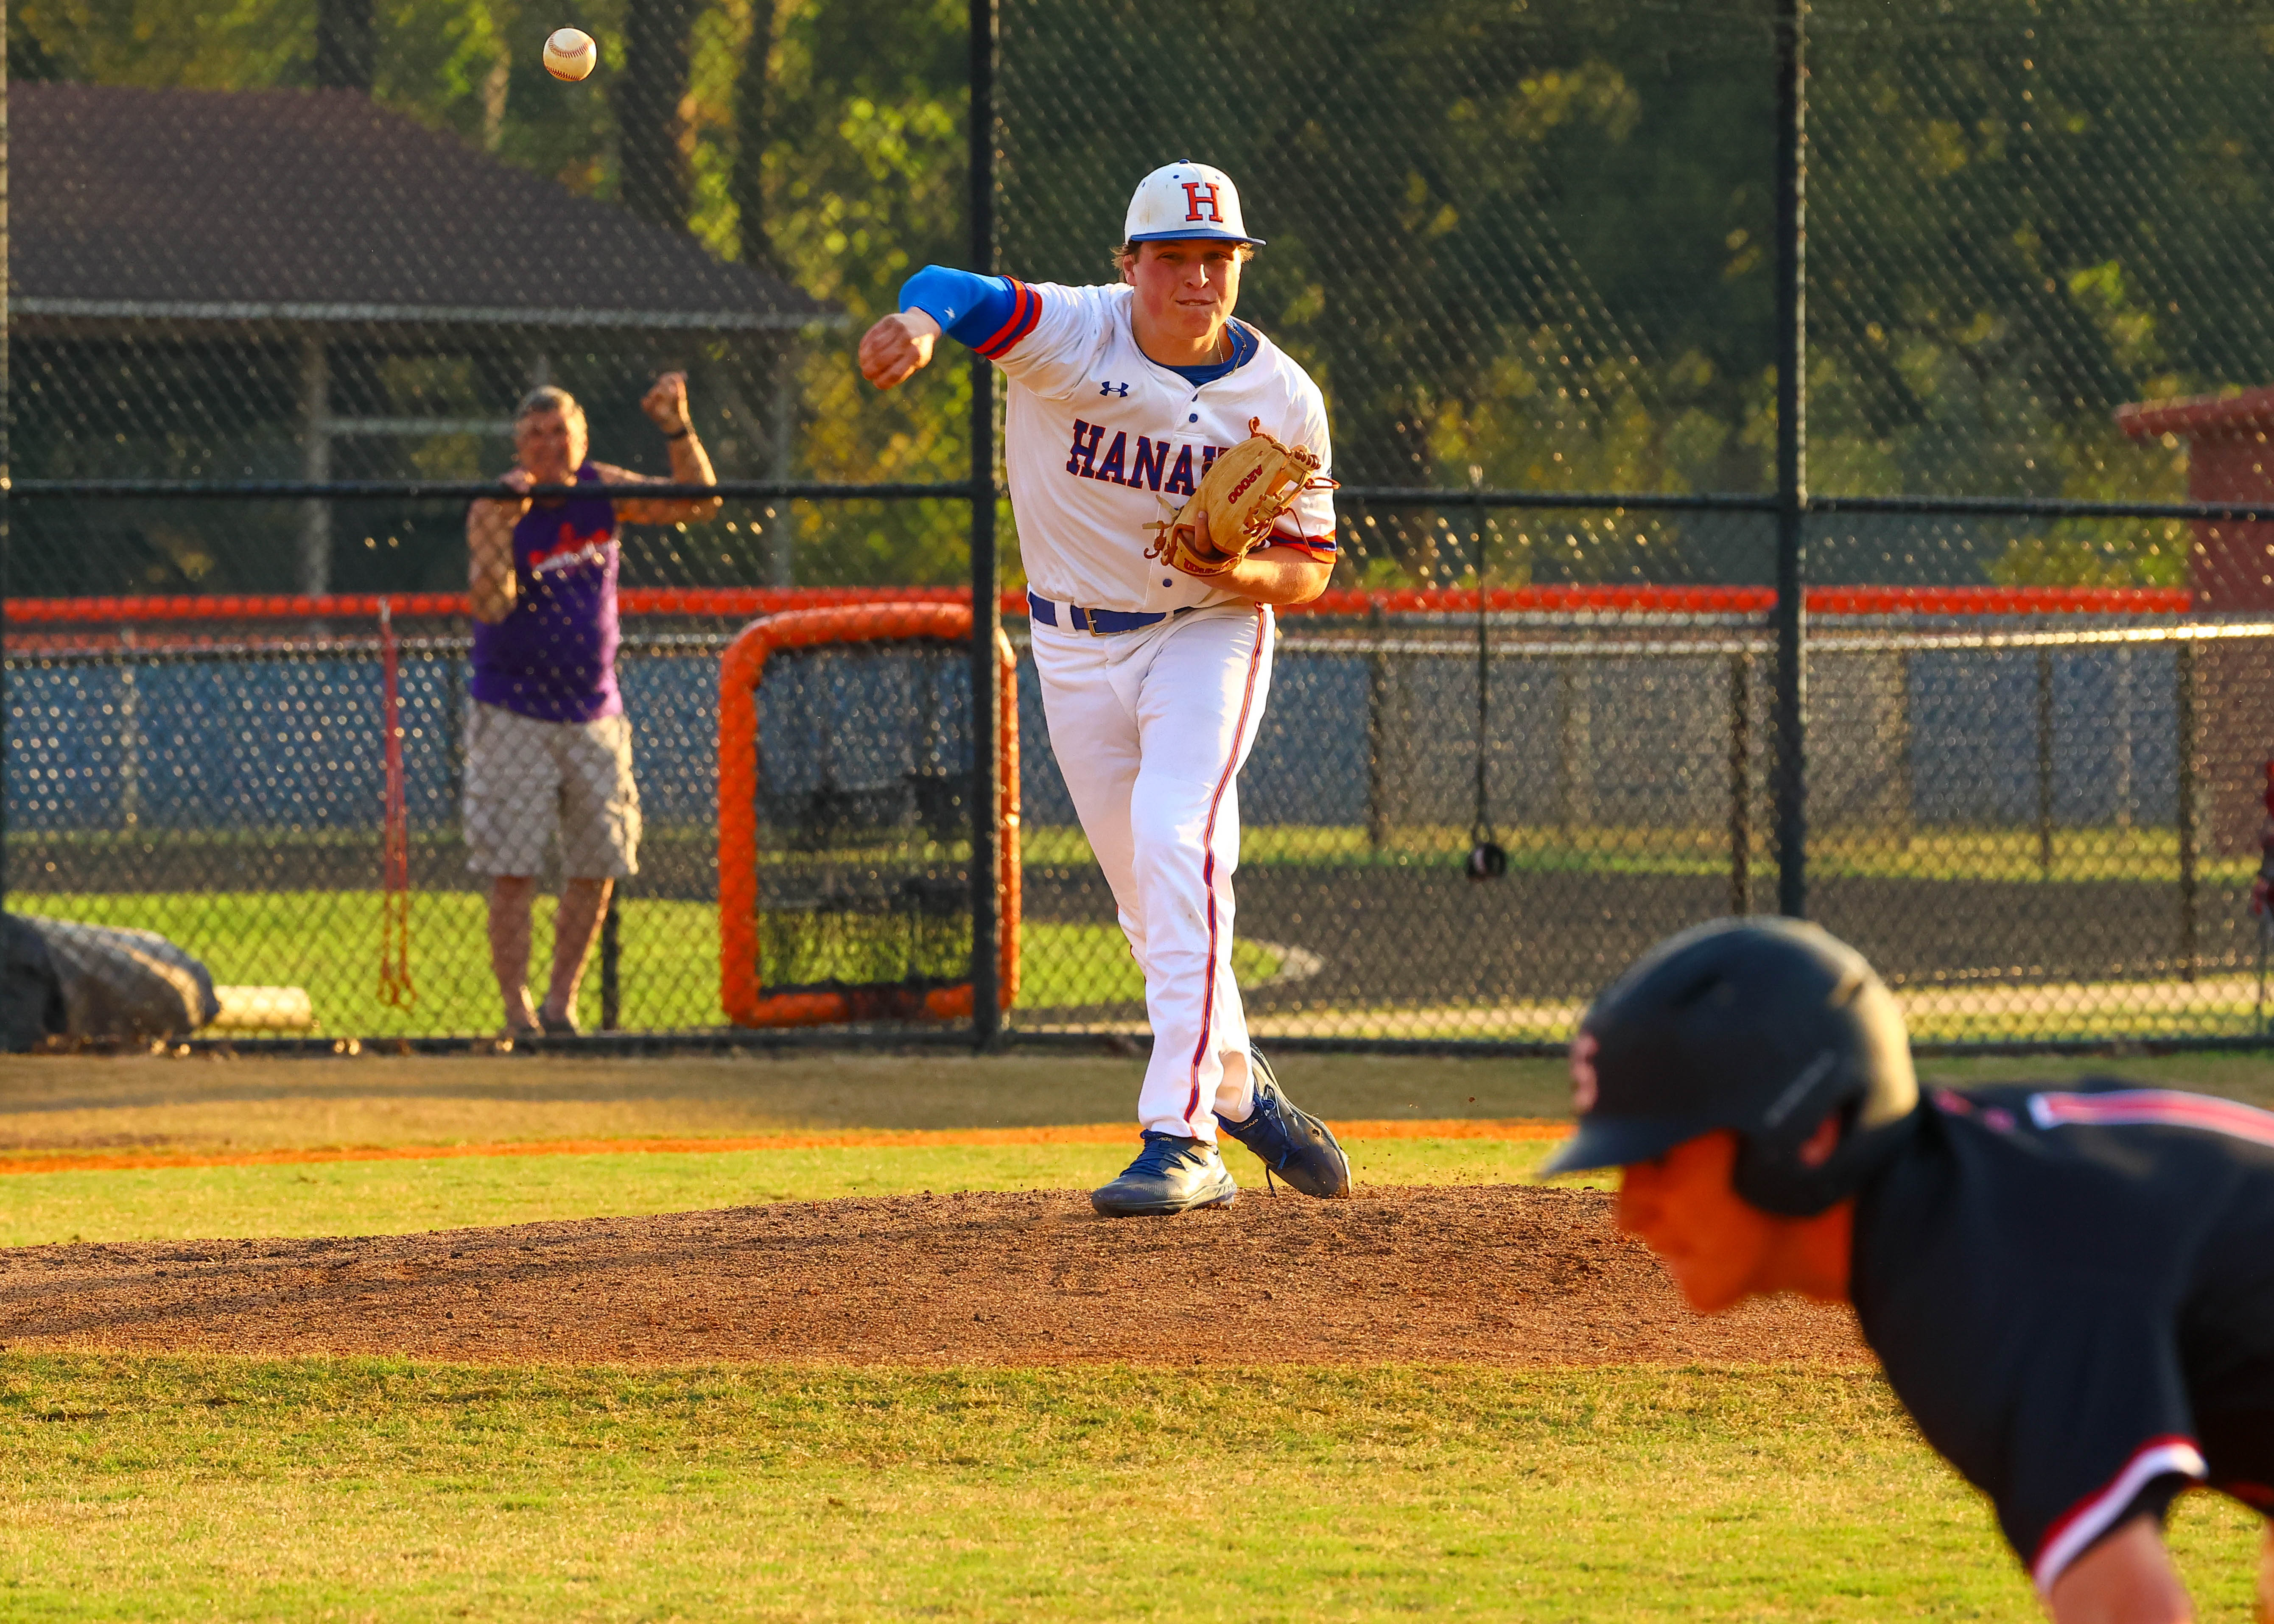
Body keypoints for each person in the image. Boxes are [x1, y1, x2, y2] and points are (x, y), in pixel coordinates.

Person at [856, 159, 1352, 1216]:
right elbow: (956, 284)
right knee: (1146, 899)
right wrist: (921, 327)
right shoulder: (1075, 332)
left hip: (1205, 633)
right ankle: (1234, 1083)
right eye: (1173, 256)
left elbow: (1309, 566)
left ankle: (1181, 1138)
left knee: (1180, 841)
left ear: (1239, 269)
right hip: (1070, 648)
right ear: (1129, 264)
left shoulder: (1282, 397)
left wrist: (1237, 573)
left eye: (1217, 258)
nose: (1196, 276)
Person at [1543, 915, 2274, 1623]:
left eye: (1659, 1160)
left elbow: (2127, 1611)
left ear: (1809, 1131)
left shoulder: (1976, 1277)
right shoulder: (1950, 1215)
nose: (1627, 1213)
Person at [464, 374, 721, 1037]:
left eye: (563, 432)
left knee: (598, 862)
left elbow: (699, 503)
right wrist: (504, 535)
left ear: (582, 438)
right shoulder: (499, 503)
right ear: (520, 445)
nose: (552, 445)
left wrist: (675, 426)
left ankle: (560, 1006)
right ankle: (516, 1013)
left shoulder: (601, 488)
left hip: (593, 710)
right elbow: (490, 605)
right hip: (514, 708)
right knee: (514, 868)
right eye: (537, 435)